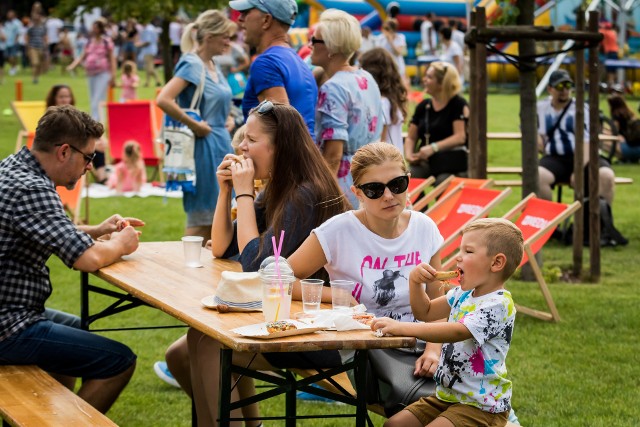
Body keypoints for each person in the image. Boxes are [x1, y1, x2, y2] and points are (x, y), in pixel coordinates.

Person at [169, 102, 348, 426]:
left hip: (321, 328)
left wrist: (244, 195)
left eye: (250, 139)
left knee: (209, 344)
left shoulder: (306, 193)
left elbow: (254, 265)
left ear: (279, 146)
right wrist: (226, 192)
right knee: (184, 349)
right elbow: (223, 248)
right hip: (284, 316)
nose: (241, 146)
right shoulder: (279, 186)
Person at [0, 105, 144, 414]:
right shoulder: (33, 188)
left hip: (12, 312)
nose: (91, 167)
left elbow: (42, 228)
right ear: (65, 151)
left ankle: (48, 415)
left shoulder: (13, 167)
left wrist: (96, 230)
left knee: (81, 331)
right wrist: (120, 243)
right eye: (89, 157)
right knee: (120, 361)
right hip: (9, 325)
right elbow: (88, 259)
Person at [287, 141, 444, 400]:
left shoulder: (424, 228)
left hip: (424, 342)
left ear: (408, 180)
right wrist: (337, 296)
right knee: (438, 403)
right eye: (374, 189)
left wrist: (434, 350)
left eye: (397, 185)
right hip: (370, 347)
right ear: (357, 193)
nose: (388, 196)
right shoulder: (338, 231)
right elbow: (281, 279)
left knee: (477, 394)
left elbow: (439, 303)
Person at [373, 218, 524, 427]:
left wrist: (400, 327)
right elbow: (425, 311)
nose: (458, 258)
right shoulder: (463, 294)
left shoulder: (498, 303)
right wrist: (415, 283)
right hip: (447, 396)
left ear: (496, 263)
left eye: (468, 252)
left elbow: (456, 331)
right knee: (394, 425)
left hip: (480, 406)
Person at [157, 10, 234, 241]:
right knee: (202, 220)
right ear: (209, 36)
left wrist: (228, 118)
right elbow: (163, 99)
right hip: (203, 148)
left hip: (221, 144)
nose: (229, 42)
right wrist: (195, 125)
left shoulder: (212, 63)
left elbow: (216, 100)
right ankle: (186, 268)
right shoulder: (192, 63)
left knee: (220, 219)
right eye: (225, 36)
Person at [311, 9, 383, 207]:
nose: (310, 45)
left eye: (315, 40)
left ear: (331, 48)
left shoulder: (333, 88)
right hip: (372, 177)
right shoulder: (366, 78)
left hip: (343, 185)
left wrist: (326, 199)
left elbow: (333, 155)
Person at [229, 0, 318, 138]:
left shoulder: (266, 63)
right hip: (303, 156)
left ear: (266, 20)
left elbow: (280, 129)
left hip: (283, 158)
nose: (240, 19)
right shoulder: (297, 60)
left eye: (246, 12)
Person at [537, 69, 615, 205]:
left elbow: (588, 141)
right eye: (559, 86)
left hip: (585, 157)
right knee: (537, 176)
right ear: (550, 89)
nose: (564, 90)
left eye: (568, 86)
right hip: (555, 158)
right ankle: (549, 223)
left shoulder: (581, 108)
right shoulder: (540, 108)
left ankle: (601, 223)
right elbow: (534, 134)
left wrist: (578, 170)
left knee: (606, 176)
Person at [404, 61, 469, 185]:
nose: (424, 80)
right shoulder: (423, 106)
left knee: (443, 183)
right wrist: (409, 155)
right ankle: (417, 205)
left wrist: (433, 148)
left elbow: (460, 137)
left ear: (442, 83)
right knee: (407, 179)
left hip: (450, 163)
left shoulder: (458, 104)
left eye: (429, 77)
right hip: (426, 161)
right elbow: (411, 137)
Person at [44, 84, 108, 183]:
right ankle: (102, 177)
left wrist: (97, 141)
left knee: (97, 144)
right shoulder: (51, 117)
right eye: (61, 97)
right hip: (60, 151)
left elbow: (85, 131)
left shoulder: (73, 115)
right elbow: (59, 140)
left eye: (67, 96)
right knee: (93, 148)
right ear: (54, 98)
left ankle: (102, 176)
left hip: (75, 147)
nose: (65, 100)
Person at [359, 47, 408, 154]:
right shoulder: (391, 99)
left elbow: (380, 142)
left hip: (384, 163)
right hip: (394, 162)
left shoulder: (382, 103)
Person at [607, 94, 640, 163]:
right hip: (633, 147)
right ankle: (627, 159)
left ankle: (625, 158)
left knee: (600, 140)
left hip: (632, 148)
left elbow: (615, 133)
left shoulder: (621, 117)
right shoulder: (629, 115)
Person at [376, 18, 407, 86]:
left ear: (393, 29)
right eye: (385, 28)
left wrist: (390, 41)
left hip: (397, 63)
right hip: (385, 64)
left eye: (388, 28)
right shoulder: (380, 38)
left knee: (399, 83)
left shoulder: (400, 37)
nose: (386, 31)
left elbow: (398, 52)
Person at [137, 20, 160, 87]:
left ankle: (154, 80)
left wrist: (138, 45)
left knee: (149, 68)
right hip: (151, 49)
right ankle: (150, 82)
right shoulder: (151, 28)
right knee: (149, 67)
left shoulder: (148, 30)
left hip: (149, 50)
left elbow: (147, 42)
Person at [25, 13, 47, 84]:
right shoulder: (31, 28)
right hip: (33, 47)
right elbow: (27, 37)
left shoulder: (42, 28)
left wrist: (45, 45)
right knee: (35, 63)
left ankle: (36, 77)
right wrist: (27, 47)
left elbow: (44, 37)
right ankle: (34, 77)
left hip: (40, 47)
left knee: (39, 64)